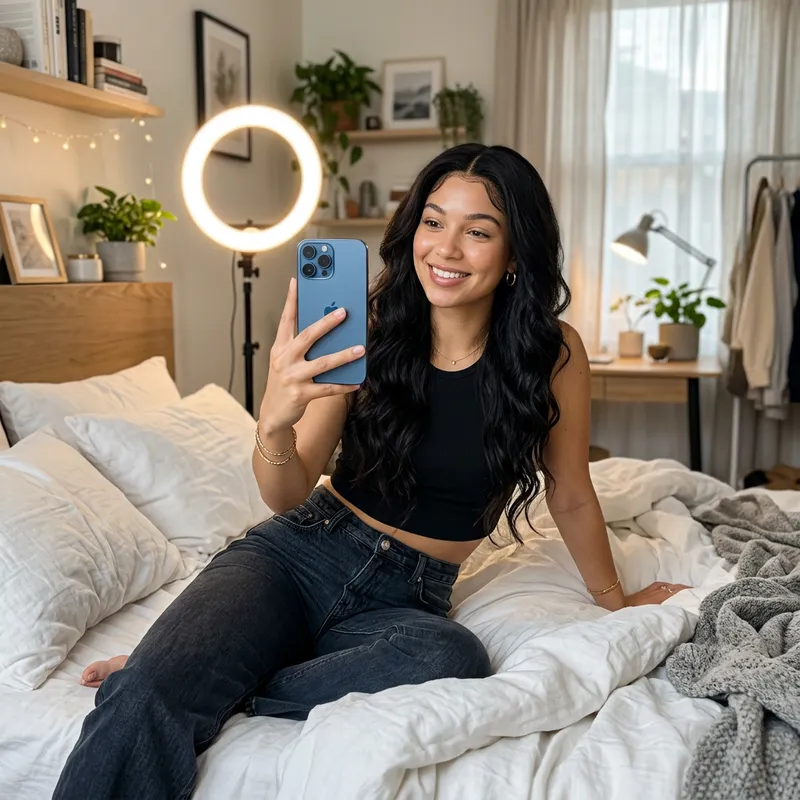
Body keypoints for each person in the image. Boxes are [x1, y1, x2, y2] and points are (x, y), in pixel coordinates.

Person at [54, 143, 687, 800]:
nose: (445, 248)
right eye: (433, 221)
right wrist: (273, 422)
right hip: (296, 554)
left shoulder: (552, 354)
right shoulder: (371, 324)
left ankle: (205, 670)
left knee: (454, 658)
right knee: (147, 698)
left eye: (477, 232)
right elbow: (287, 489)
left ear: (514, 255)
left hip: (408, 597)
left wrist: (616, 603)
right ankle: (174, 671)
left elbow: (572, 492)